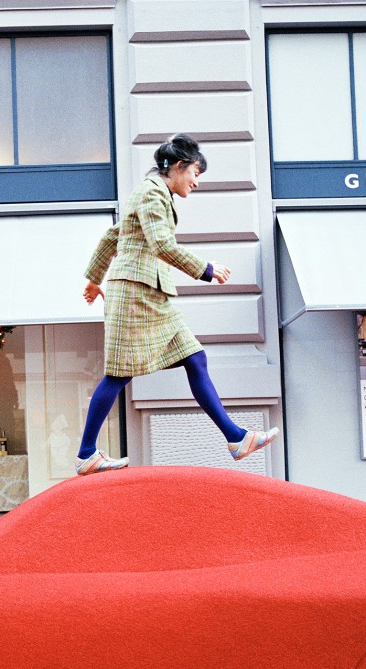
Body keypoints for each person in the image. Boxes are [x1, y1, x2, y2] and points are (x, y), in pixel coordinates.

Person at [76, 133, 279, 475]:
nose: (197, 182)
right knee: (118, 374)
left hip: (150, 294)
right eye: (195, 173)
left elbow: (113, 236)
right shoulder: (153, 193)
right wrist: (207, 269)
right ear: (179, 167)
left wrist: (95, 278)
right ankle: (86, 454)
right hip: (137, 294)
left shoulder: (150, 192)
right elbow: (162, 245)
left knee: (195, 358)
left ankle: (235, 438)